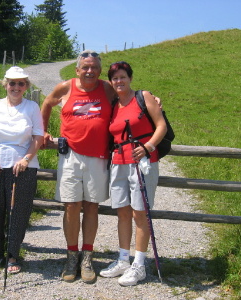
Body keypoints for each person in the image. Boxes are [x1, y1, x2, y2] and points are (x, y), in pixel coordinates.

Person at [41, 50, 116, 283]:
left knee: (91, 206)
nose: (90, 71)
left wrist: (152, 98)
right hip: (71, 155)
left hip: (98, 156)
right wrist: (43, 130)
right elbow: (47, 103)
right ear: (77, 70)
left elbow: (130, 97)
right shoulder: (66, 87)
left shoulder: (106, 89)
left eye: (94, 67)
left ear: (100, 71)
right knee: (71, 206)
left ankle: (87, 257)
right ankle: (72, 255)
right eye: (85, 67)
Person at [99, 61, 167, 286]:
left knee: (140, 213)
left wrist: (148, 147)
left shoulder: (144, 97)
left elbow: (161, 126)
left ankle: (139, 264)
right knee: (123, 213)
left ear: (130, 78)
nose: (119, 81)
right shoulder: (114, 104)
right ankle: (123, 260)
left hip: (142, 161)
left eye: (122, 77)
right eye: (115, 78)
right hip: (118, 161)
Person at [0, 66, 44, 274]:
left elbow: (38, 137)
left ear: (26, 86)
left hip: (22, 168)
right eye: (12, 83)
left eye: (20, 83)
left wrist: (26, 159)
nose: (16, 87)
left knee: (19, 212)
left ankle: (13, 253)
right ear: (5, 84)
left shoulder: (32, 107)